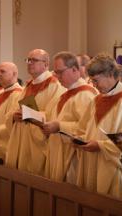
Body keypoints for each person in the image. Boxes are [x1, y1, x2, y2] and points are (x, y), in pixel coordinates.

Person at [74, 54, 122, 198]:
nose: (94, 85)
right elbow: (83, 128)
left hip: (112, 168)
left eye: (96, 81)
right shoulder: (96, 100)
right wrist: (78, 138)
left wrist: (100, 145)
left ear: (111, 75)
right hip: (91, 161)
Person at [5, 49, 65, 176]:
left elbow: (54, 116)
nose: (29, 63)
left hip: (38, 143)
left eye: (34, 60)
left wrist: (30, 115)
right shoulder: (28, 85)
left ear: (46, 64)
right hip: (22, 139)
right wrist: (13, 116)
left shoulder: (55, 85)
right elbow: (14, 109)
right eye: (28, 60)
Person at [42, 52, 97, 182]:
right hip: (58, 151)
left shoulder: (85, 95)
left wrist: (59, 126)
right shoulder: (66, 93)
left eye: (60, 72)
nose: (57, 76)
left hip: (72, 157)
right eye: (55, 72)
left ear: (74, 69)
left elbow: (87, 129)